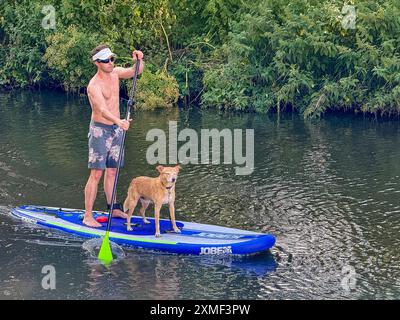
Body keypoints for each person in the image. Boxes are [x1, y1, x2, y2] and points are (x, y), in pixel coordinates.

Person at [83, 44, 144, 228]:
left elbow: (136, 71)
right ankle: (87, 216)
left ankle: (114, 208)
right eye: (106, 60)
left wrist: (139, 59)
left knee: (112, 171)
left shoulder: (116, 73)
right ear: (97, 63)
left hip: (117, 129)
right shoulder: (93, 86)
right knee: (96, 174)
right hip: (100, 130)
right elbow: (101, 110)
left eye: (112, 59)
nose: (110, 63)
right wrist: (119, 122)